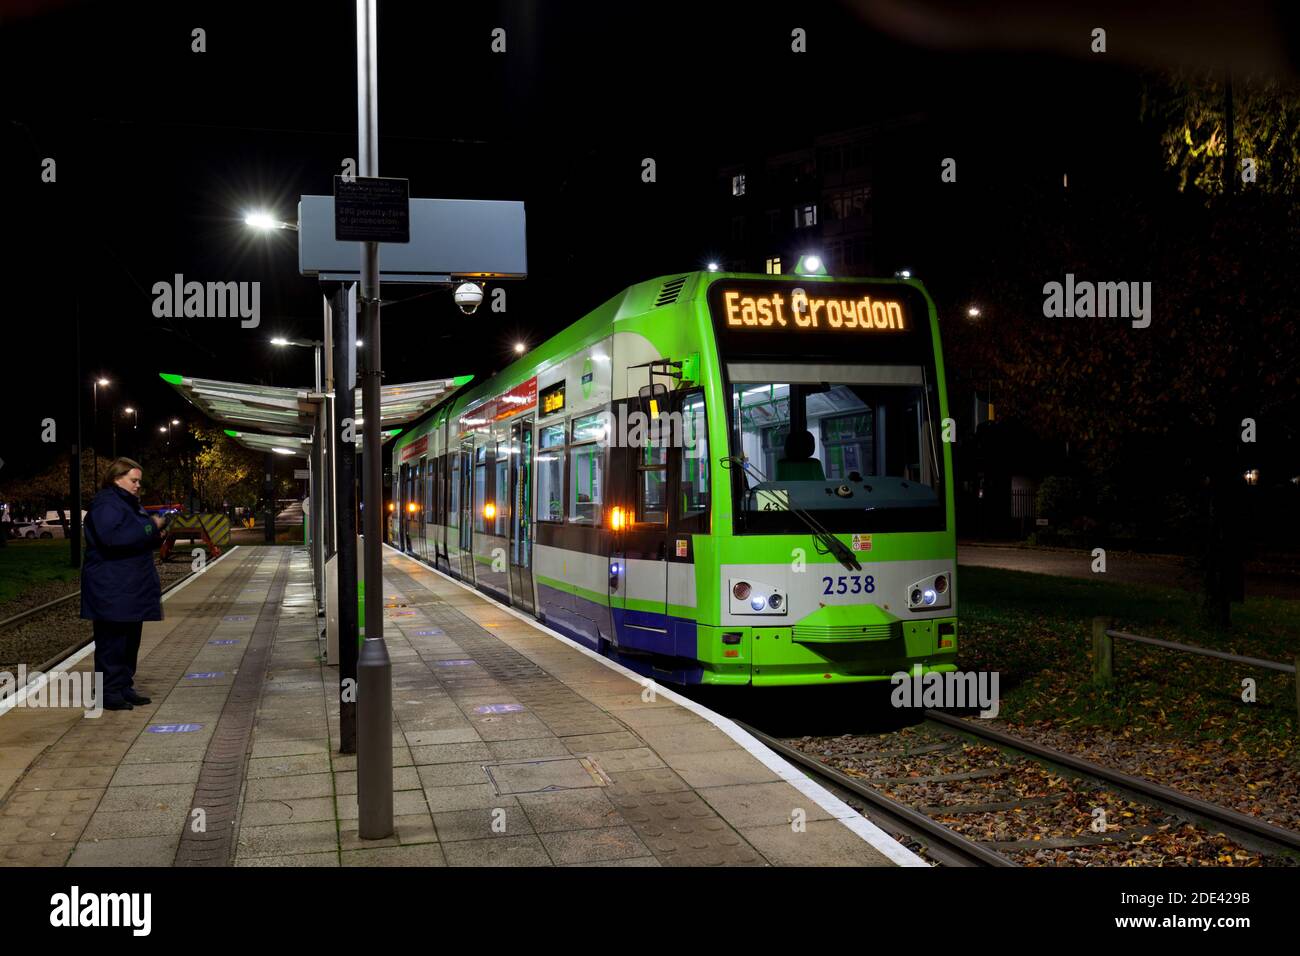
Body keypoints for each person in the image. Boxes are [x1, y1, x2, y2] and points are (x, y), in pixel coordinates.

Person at [82, 457, 165, 711]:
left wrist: (155, 535)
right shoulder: (107, 504)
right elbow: (113, 539)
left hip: (129, 587)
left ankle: (123, 687)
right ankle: (108, 692)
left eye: (139, 481)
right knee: (112, 642)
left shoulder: (128, 504)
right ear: (116, 478)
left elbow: (137, 538)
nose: (138, 485)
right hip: (113, 587)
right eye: (133, 480)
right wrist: (151, 527)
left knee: (129, 641)